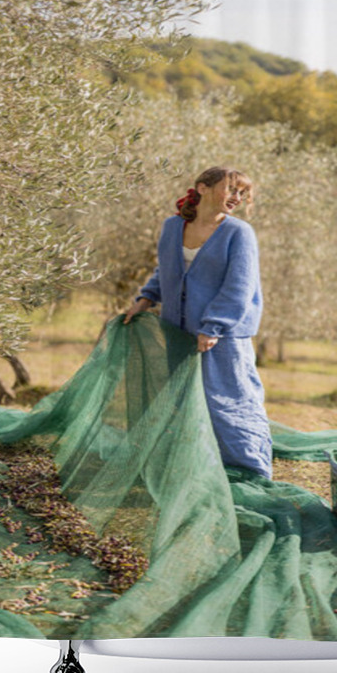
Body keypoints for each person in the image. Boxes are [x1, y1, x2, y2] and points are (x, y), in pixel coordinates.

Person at [123, 165, 272, 480]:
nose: (237, 198)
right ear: (202, 187)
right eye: (231, 189)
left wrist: (213, 326)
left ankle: (251, 470)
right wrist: (145, 299)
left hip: (225, 336)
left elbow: (240, 287)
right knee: (184, 402)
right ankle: (194, 469)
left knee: (230, 403)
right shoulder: (172, 227)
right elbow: (165, 271)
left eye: (242, 193)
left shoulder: (238, 232)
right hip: (178, 331)